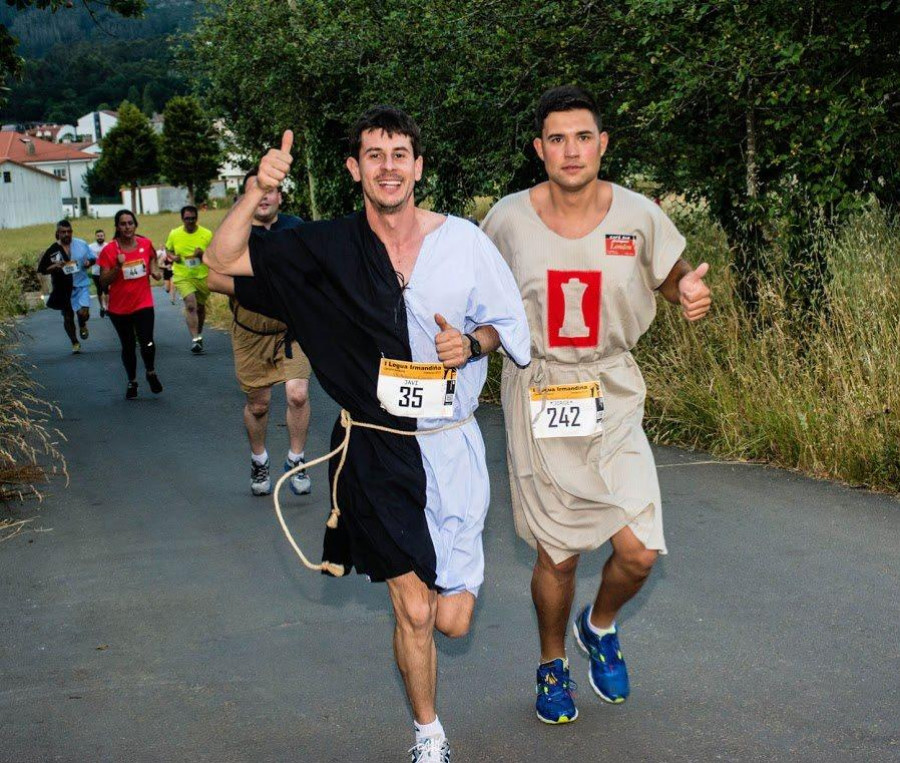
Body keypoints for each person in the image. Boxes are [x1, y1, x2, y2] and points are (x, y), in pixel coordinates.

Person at [204, 107, 530, 763]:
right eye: (374, 154)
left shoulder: (463, 241)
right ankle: (429, 732)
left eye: (400, 153)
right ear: (354, 167)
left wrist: (469, 343)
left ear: (418, 167)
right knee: (414, 608)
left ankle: (423, 615)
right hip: (375, 445)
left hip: (453, 441)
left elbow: (505, 325)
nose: (388, 165)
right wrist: (254, 190)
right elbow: (222, 260)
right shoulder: (325, 249)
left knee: (450, 618)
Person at [482, 85, 712, 724]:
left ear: (603, 143)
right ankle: (552, 666)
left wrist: (686, 294)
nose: (571, 150)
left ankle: (600, 626)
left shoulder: (638, 216)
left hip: (613, 390)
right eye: (557, 138)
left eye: (583, 136)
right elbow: (476, 295)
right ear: (539, 150)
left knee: (639, 550)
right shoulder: (505, 219)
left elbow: (672, 276)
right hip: (541, 389)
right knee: (557, 552)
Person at [207, 170, 314, 497]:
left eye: (271, 190)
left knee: (297, 394)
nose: (264, 195)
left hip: (292, 330)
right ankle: (259, 458)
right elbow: (213, 277)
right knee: (259, 405)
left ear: (280, 196)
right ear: (245, 198)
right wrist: (262, 290)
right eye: (256, 190)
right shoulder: (234, 234)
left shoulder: (297, 229)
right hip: (251, 332)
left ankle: (297, 459)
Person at [98, 210, 164, 399]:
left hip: (143, 303)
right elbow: (103, 282)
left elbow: (151, 261)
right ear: (117, 227)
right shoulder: (109, 250)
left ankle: (150, 372)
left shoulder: (145, 244)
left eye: (130, 223)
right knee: (128, 346)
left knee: (147, 341)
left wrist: (155, 272)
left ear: (135, 225)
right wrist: (118, 267)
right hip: (119, 308)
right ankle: (132, 381)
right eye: (123, 224)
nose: (127, 227)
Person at [37, 220, 95, 353]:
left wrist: (89, 262)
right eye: (63, 232)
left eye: (69, 231)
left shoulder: (81, 244)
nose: (66, 234)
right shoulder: (53, 250)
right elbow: (42, 269)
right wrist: (55, 266)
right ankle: (74, 341)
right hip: (63, 288)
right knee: (68, 317)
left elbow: (93, 258)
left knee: (83, 313)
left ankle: (82, 323)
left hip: (81, 285)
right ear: (57, 233)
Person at [165, 205, 212, 353]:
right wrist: (173, 257)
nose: (190, 221)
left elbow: (215, 255)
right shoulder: (174, 234)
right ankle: (195, 339)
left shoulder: (207, 234)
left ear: (197, 218)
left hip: (202, 276)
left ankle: (198, 334)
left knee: (200, 308)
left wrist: (202, 254)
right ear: (182, 219)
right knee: (191, 305)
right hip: (182, 275)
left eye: (193, 218)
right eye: (187, 218)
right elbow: (168, 250)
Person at [88, 229, 109, 317]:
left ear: (104, 236)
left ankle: (107, 308)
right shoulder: (91, 247)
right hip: (95, 272)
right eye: (98, 236)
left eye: (101, 236)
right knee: (99, 290)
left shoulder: (108, 246)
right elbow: (87, 257)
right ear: (96, 237)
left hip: (106, 272)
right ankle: (102, 307)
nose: (100, 237)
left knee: (107, 290)